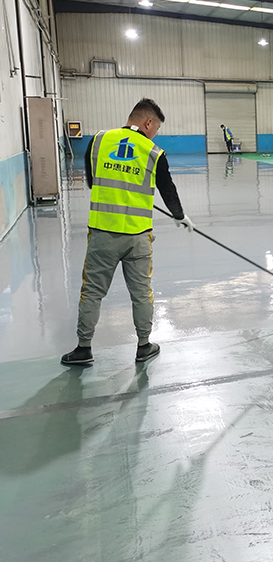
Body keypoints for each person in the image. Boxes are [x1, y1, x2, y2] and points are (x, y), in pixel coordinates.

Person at [61, 98, 194, 366]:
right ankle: (144, 346)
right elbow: (167, 190)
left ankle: (83, 349)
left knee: (92, 292)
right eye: (156, 128)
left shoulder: (99, 140)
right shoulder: (154, 152)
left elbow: (92, 181)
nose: (155, 134)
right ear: (148, 122)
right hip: (138, 237)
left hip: (102, 234)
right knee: (142, 293)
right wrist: (180, 216)